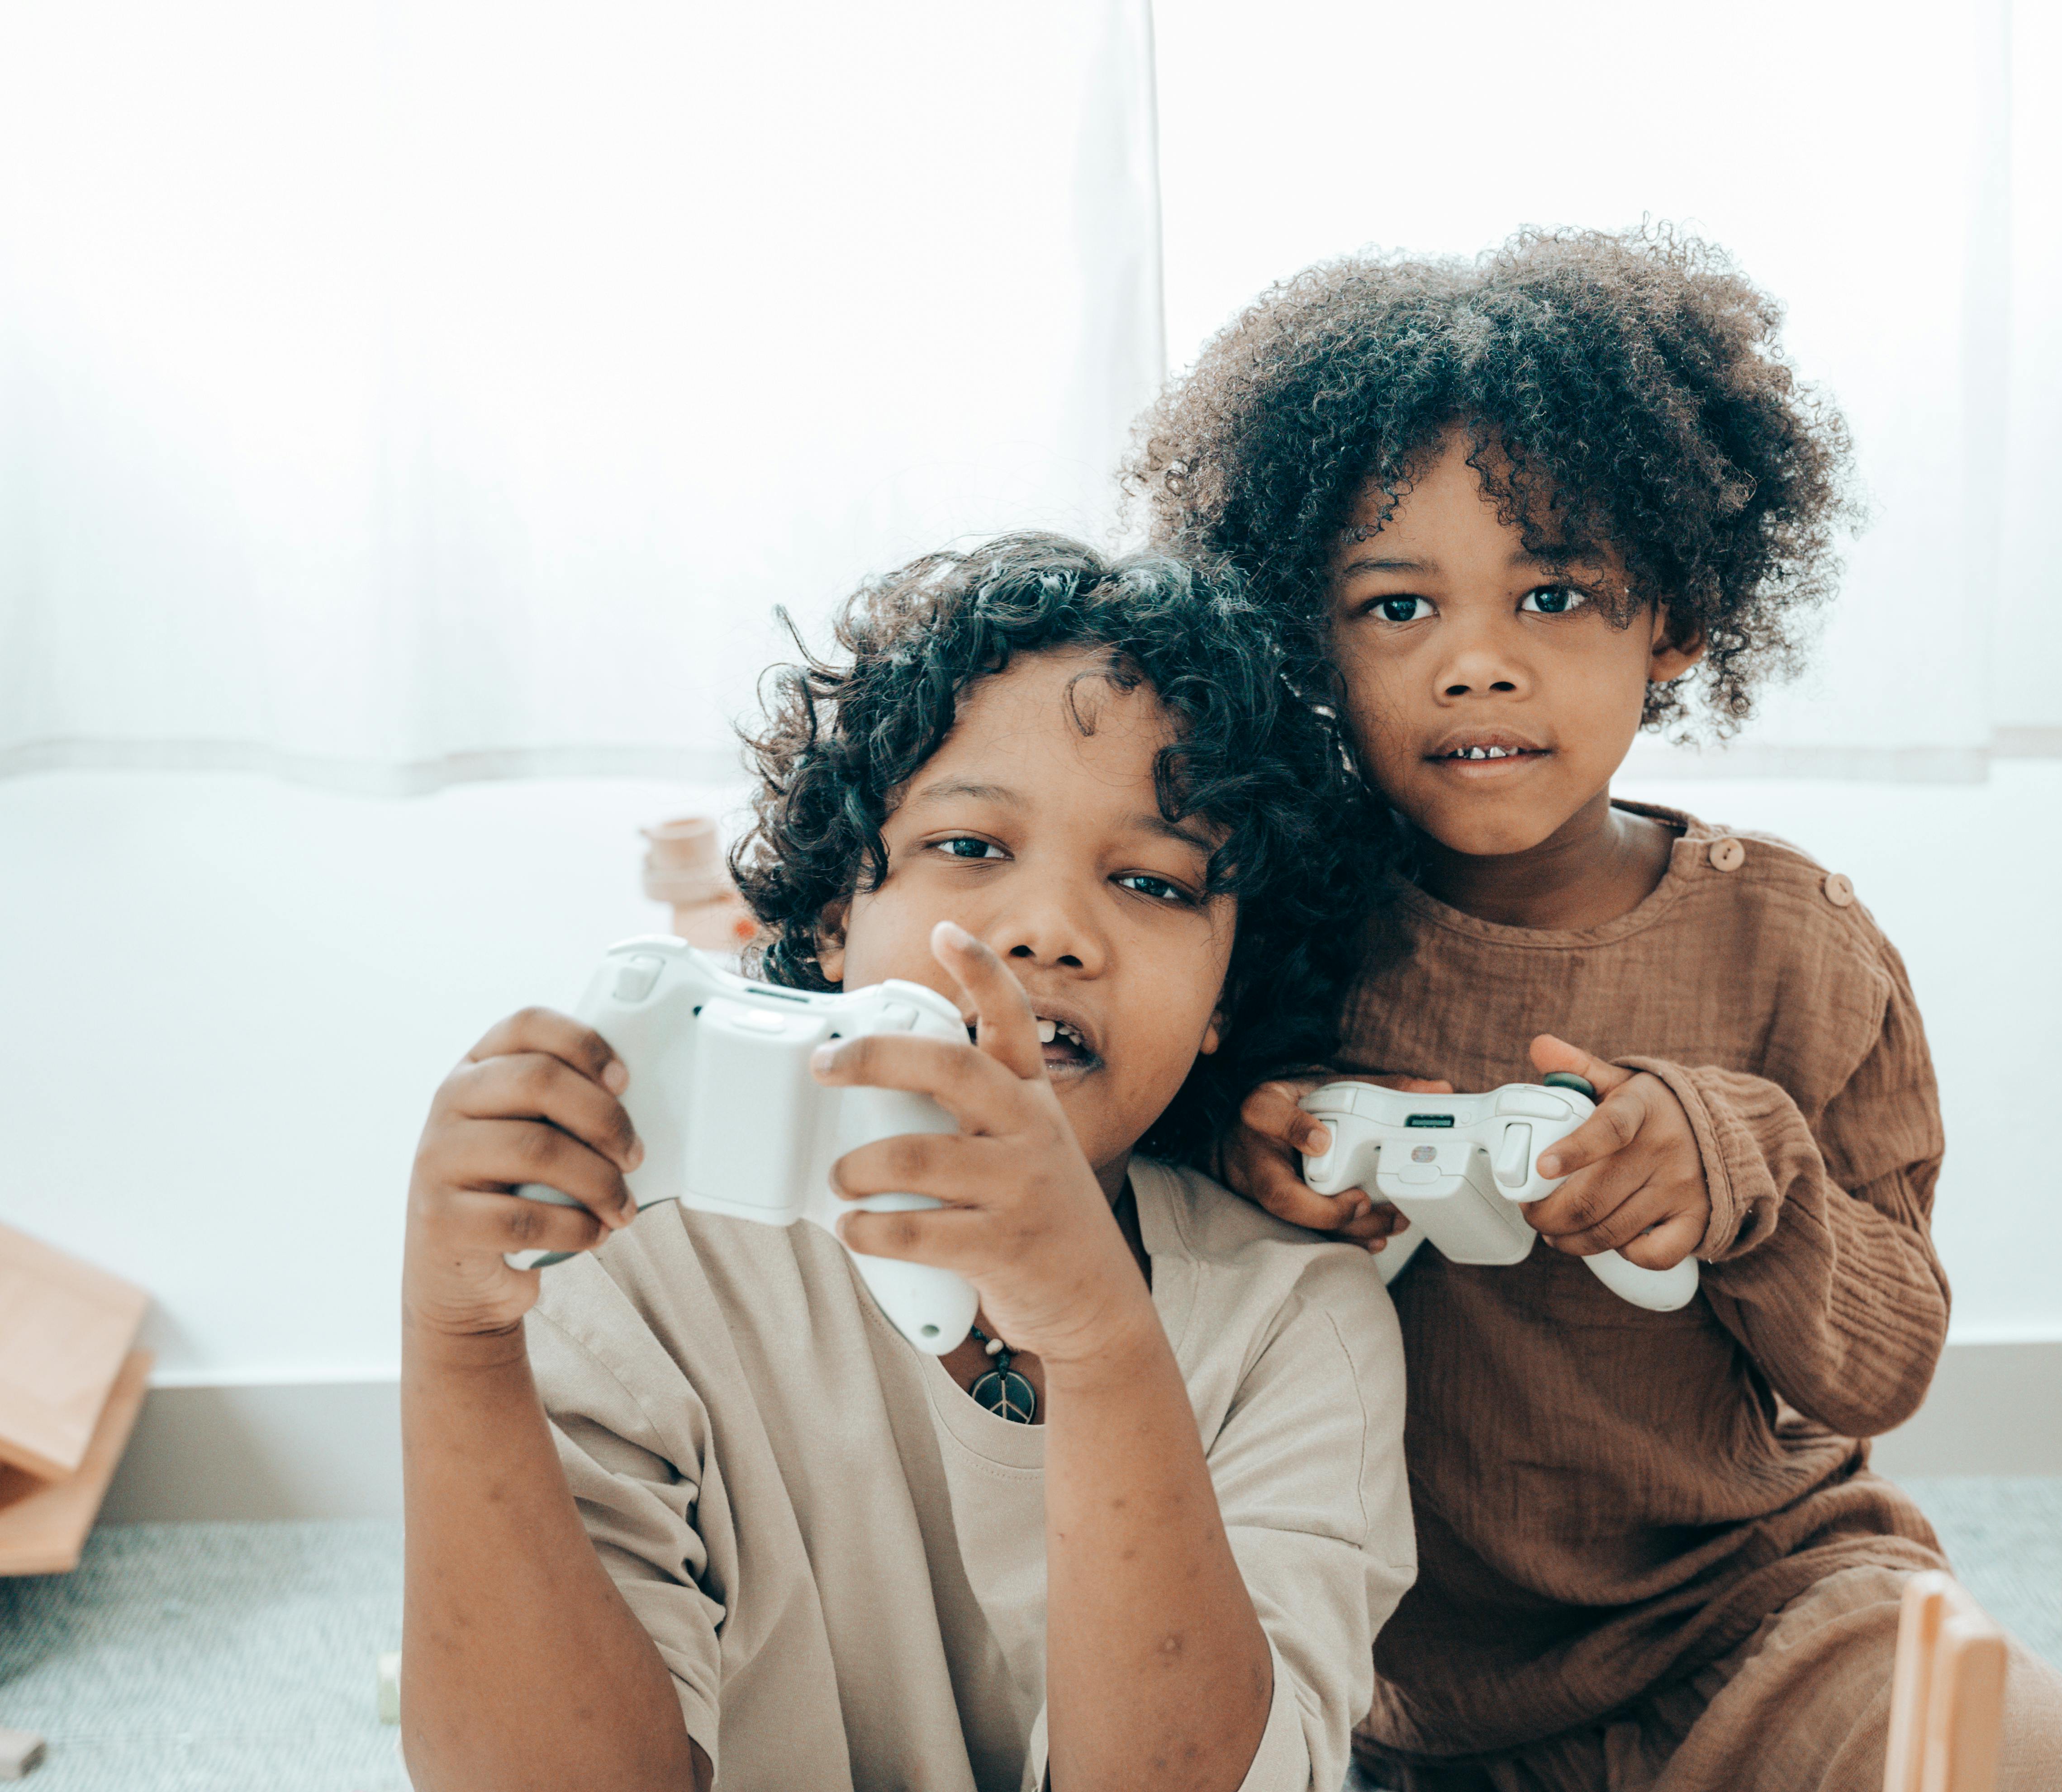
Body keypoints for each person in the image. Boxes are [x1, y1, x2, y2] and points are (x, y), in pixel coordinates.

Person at [1127, 228, 2062, 1791]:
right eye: (1397, 607)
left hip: (1761, 1610)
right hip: (1384, 1667)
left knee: (2040, 1765)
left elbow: (1880, 1365)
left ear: (1676, 617)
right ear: (1308, 637)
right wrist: (1234, 1151)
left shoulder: (1791, 942)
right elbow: (1127, 1204)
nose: (1476, 663)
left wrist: (1747, 1170)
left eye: (1554, 592)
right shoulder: (1272, 913)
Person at [396, 535, 1416, 1792]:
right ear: (835, 917)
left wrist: (1096, 1336)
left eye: (1152, 879)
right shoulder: (643, 1244)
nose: (1048, 928)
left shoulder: (1298, 1323)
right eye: (972, 848)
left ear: (1228, 993)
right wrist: (458, 1344)